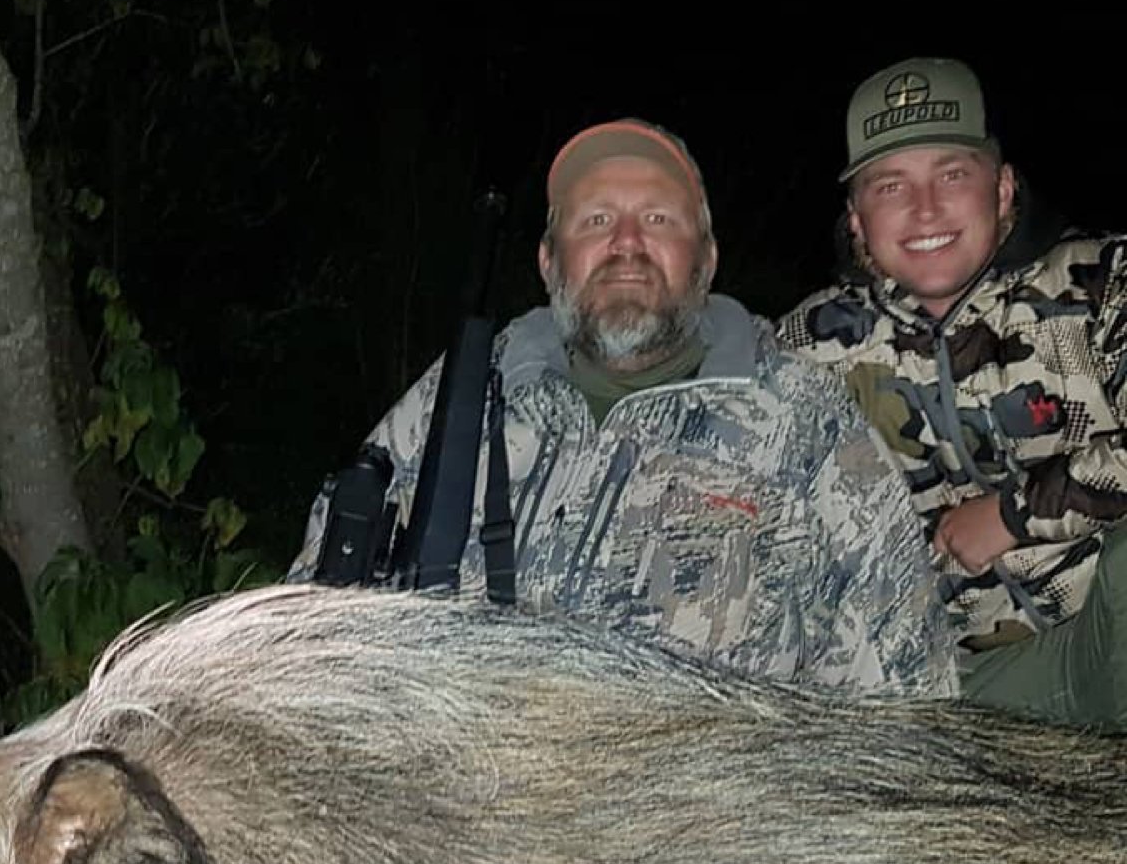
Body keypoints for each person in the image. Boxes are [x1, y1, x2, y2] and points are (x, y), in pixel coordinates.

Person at [291, 119, 956, 698]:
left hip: (708, 828)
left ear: (707, 259)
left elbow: (906, 680)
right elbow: (318, 606)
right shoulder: (458, 397)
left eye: (659, 219)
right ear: (551, 262)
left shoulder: (807, 422)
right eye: (597, 220)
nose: (627, 243)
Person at [779, 56, 1127, 727]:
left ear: (1002, 190)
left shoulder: (1103, 283)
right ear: (856, 220)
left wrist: (1013, 515)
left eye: (952, 174)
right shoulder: (808, 345)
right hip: (935, 681)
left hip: (1103, 640)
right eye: (890, 186)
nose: (926, 209)